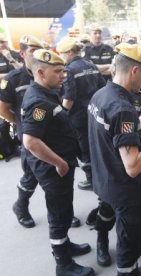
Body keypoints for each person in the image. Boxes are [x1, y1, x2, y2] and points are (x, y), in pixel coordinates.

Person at [88, 43, 141, 275]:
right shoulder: (122, 106)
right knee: (130, 242)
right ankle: (128, 271)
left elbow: (115, 132)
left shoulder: (101, 94)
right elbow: (134, 166)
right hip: (125, 190)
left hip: (105, 179)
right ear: (134, 71)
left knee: (119, 230)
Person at [21, 49, 93, 275]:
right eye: (59, 71)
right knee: (59, 213)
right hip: (54, 168)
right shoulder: (39, 102)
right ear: (41, 72)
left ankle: (65, 245)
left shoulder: (46, 92)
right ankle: (63, 264)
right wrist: (59, 163)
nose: (64, 75)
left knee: (64, 208)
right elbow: (31, 141)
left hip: (61, 163)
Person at [0, 35, 43, 228]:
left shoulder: (45, 72)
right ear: (22, 53)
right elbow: (3, 108)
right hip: (29, 135)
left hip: (50, 132)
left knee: (55, 176)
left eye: (39, 50)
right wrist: (19, 124)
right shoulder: (13, 79)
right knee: (31, 174)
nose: (37, 55)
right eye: (32, 51)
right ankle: (21, 206)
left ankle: (60, 211)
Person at [56, 37, 106, 191]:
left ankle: (91, 179)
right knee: (97, 145)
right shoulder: (91, 65)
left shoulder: (69, 70)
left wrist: (62, 116)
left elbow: (69, 97)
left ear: (70, 52)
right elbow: (103, 88)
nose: (61, 57)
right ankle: (101, 175)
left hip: (78, 117)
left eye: (62, 54)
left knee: (84, 149)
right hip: (95, 113)